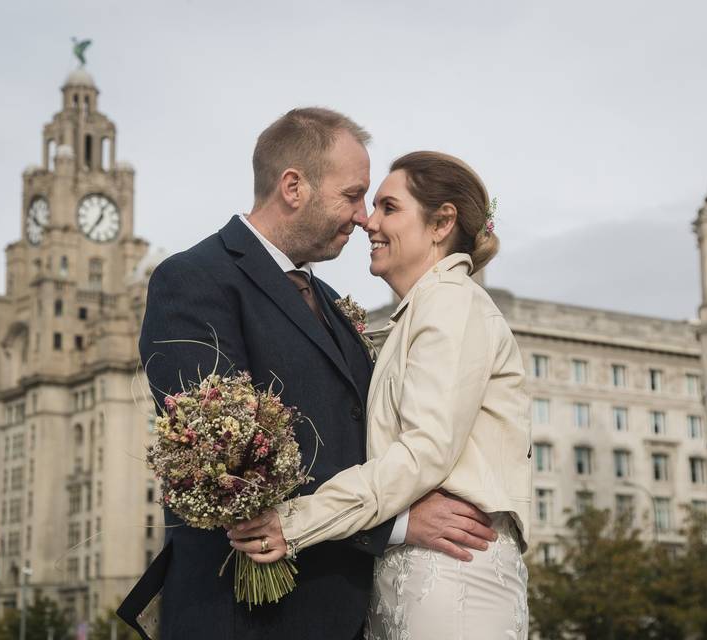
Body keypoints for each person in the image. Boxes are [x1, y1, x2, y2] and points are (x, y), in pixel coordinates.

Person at [116, 109, 497, 640]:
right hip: (244, 616)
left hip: (350, 612)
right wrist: (399, 523)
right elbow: (225, 460)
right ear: (293, 186)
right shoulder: (194, 279)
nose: (363, 217)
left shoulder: (333, 305)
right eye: (352, 195)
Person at [231, 151, 532, 639]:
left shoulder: (451, 302)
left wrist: (296, 521)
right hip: (412, 581)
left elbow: (424, 452)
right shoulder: (422, 311)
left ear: (441, 223)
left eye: (389, 208)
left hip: (453, 582)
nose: (368, 222)